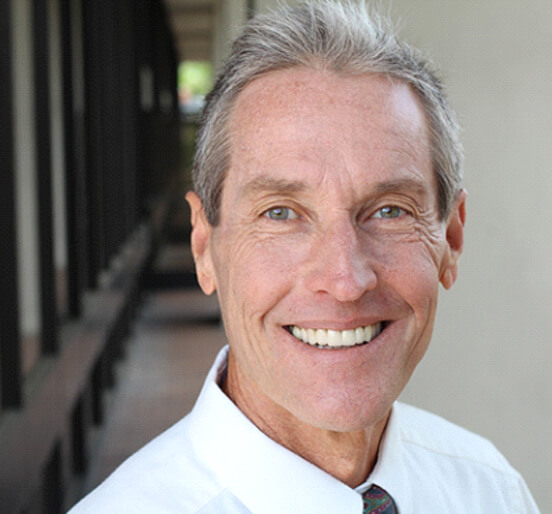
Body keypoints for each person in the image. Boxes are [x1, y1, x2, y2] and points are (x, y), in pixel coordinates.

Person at [69, 1, 540, 512]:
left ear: (450, 238)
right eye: (280, 213)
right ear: (205, 247)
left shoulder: (492, 491)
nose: (344, 279)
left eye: (388, 210)